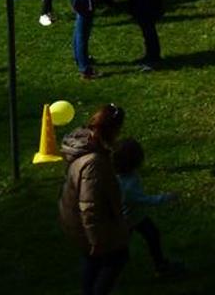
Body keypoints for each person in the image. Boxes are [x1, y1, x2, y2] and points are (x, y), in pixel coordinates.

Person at [59, 104, 130, 295]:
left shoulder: (85, 143)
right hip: (88, 225)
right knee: (117, 257)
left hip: (74, 218)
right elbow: (89, 206)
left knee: (94, 261)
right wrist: (95, 240)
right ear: (112, 130)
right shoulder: (94, 162)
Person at [111, 139, 184, 279]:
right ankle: (107, 271)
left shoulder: (121, 176)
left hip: (136, 216)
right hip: (128, 220)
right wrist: (167, 197)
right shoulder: (128, 187)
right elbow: (145, 200)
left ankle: (160, 264)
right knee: (121, 248)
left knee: (152, 235)